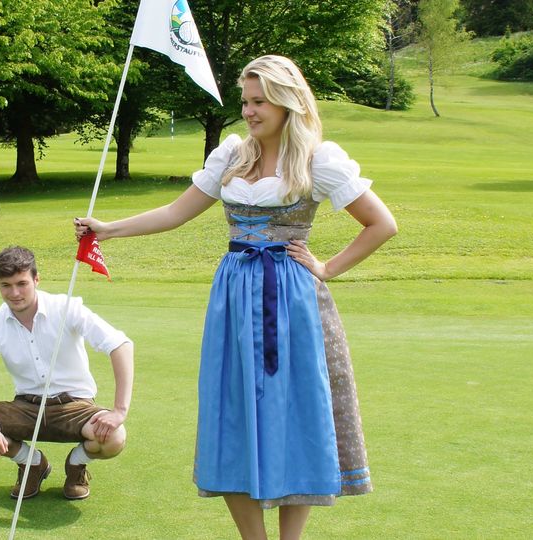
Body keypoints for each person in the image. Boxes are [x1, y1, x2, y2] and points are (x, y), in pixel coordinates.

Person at [75, 55, 398, 539]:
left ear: (288, 103)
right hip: (233, 298)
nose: (248, 111)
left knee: (294, 410)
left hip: (291, 303)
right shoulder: (231, 155)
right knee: (231, 411)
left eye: (259, 101)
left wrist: (327, 268)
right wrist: (108, 230)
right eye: (245, 101)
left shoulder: (316, 159)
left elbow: (382, 224)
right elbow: (175, 212)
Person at [0, 246, 134, 500]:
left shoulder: (66, 307)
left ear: (36, 279)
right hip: (26, 407)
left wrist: (119, 411)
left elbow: (120, 345)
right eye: (6, 285)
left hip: (75, 407)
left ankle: (76, 463)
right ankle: (32, 463)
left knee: (114, 437)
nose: (14, 293)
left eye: (22, 283)